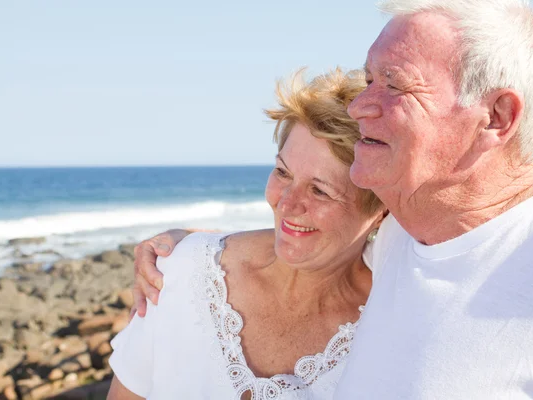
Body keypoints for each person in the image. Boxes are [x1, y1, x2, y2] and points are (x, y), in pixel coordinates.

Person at [132, 0, 533, 398]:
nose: (359, 106)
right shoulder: (405, 234)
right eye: (369, 79)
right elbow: (327, 232)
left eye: (395, 85)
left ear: (497, 116)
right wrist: (186, 248)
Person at [107, 68, 386, 399]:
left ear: (379, 208)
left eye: (320, 191)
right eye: (283, 172)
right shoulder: (182, 272)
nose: (287, 203)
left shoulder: (390, 325)